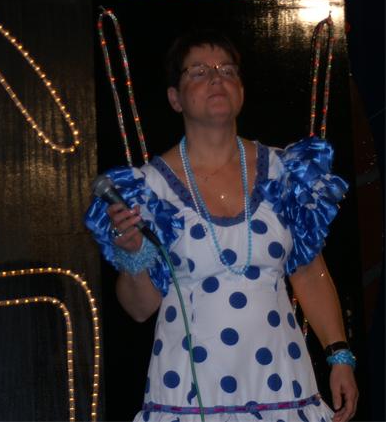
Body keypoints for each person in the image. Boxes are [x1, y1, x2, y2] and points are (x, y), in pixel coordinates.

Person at [85, 30, 358, 421]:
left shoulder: (284, 171)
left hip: (282, 384)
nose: (216, 78)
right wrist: (133, 256)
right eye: (198, 71)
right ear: (175, 98)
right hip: (189, 392)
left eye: (227, 70)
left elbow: (309, 272)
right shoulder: (148, 188)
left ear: (241, 92)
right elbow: (140, 308)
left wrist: (339, 355)